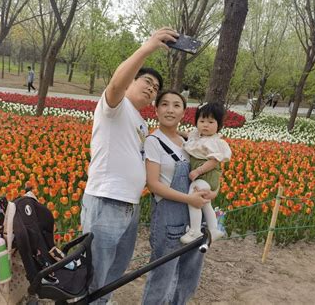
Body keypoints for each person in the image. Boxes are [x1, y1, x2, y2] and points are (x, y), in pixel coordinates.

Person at [80, 27, 175, 304]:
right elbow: (115, 84)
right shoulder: (114, 106)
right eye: (146, 81)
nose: (151, 89)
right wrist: (147, 48)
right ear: (131, 80)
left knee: (115, 273)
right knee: (95, 275)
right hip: (107, 201)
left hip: (129, 206)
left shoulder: (141, 123)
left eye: (156, 88)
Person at [141, 90, 210, 305]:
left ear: (183, 112)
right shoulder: (153, 141)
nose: (170, 109)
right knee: (162, 277)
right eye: (164, 104)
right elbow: (153, 184)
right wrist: (190, 200)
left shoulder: (189, 141)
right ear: (156, 109)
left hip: (195, 217)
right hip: (169, 218)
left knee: (188, 277)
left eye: (176, 105)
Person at [180, 102, 232, 244]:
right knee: (205, 203)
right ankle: (214, 229)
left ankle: (195, 230)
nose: (205, 125)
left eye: (210, 122)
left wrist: (198, 170)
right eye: (201, 121)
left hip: (206, 175)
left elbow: (214, 161)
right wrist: (177, 132)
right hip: (205, 177)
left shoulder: (213, 142)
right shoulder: (197, 136)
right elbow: (188, 135)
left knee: (194, 196)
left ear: (218, 125)